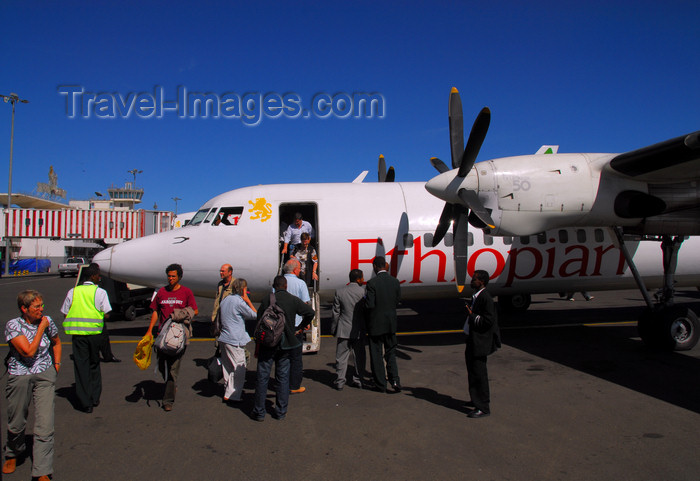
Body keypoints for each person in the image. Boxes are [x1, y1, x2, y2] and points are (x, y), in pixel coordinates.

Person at [3, 290, 61, 481]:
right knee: (17, 421)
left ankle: (42, 470)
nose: (41, 309)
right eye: (36, 307)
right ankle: (13, 452)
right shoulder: (13, 325)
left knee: (45, 424)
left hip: (44, 375)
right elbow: (28, 351)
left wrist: (56, 365)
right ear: (24, 309)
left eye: (42, 305)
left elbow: (56, 342)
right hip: (20, 375)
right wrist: (40, 329)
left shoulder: (47, 320)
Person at [252, 276, 315, 421]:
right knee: (283, 377)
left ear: (274, 286)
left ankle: (259, 412)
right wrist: (299, 327)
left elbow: (259, 318)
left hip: (268, 343)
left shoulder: (267, 299)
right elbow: (310, 312)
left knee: (262, 377)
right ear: (286, 286)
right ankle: (280, 411)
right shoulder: (292, 299)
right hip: (286, 343)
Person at [146, 263, 198, 412]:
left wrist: (182, 315)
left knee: (173, 369)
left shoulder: (186, 292)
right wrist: (150, 330)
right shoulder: (162, 292)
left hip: (178, 337)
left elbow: (195, 310)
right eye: (169, 276)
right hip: (162, 335)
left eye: (173, 276)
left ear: (179, 277)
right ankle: (171, 385)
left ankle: (168, 400)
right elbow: (155, 311)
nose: (170, 279)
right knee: (163, 367)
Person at [61, 262, 112, 413]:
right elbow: (107, 312)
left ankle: (85, 402)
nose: (99, 278)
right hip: (95, 335)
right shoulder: (100, 292)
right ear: (94, 276)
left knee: (81, 366)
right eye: (98, 275)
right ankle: (95, 397)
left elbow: (65, 311)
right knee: (94, 364)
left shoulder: (73, 292)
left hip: (78, 335)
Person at [464, 270, 501, 419]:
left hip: (480, 342)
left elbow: (488, 321)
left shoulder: (486, 298)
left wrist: (472, 316)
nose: (472, 281)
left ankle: (483, 407)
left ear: (482, 282)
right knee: (472, 372)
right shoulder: (477, 296)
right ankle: (475, 399)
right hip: (473, 340)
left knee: (479, 374)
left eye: (475, 279)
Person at [365, 256, 402, 393]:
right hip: (391, 324)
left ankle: (381, 384)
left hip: (376, 325)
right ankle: (395, 380)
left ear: (375, 266)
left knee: (376, 355)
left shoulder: (372, 283)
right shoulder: (395, 281)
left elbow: (370, 304)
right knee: (391, 353)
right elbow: (397, 300)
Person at [217, 278, 256, 403]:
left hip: (224, 337)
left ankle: (227, 391)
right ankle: (233, 394)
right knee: (240, 367)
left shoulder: (225, 300)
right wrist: (248, 301)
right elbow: (255, 315)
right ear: (243, 289)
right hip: (234, 339)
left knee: (227, 367)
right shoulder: (239, 302)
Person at [331, 269, 367, 390]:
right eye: (362, 278)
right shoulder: (363, 292)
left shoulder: (340, 292)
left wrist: (334, 328)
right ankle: (358, 380)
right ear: (358, 279)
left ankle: (340, 381)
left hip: (343, 329)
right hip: (359, 330)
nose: (363, 280)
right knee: (359, 357)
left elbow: (336, 313)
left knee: (341, 357)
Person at [280, 259, 311, 394]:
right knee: (296, 357)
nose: (300, 271)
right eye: (299, 268)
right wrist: (307, 322)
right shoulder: (300, 283)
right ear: (295, 270)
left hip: (280, 325)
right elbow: (305, 304)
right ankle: (294, 385)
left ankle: (281, 383)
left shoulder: (279, 283)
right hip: (296, 325)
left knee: (282, 357)